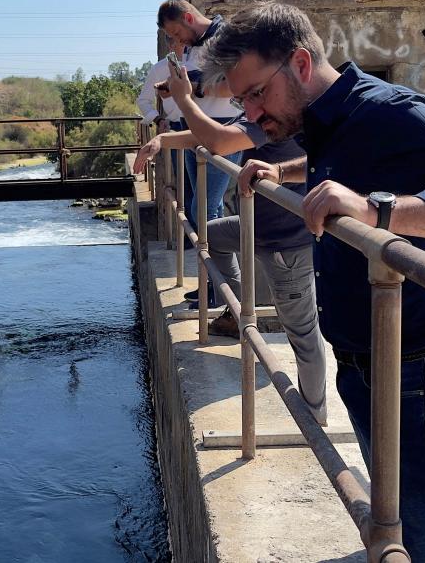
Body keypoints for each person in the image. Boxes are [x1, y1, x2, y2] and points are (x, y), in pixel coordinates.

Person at [199, 2, 425, 562]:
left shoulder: (389, 110)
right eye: (241, 101)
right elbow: (349, 161)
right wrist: (284, 171)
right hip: (368, 363)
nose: (252, 116)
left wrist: (379, 212)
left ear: (300, 64)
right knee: (394, 524)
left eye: (255, 94)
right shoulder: (329, 122)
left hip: (420, 371)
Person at [132, 68, 328, 426]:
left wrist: (184, 98)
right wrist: (163, 141)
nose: (244, 103)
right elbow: (210, 136)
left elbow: (219, 141)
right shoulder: (262, 115)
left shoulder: (284, 116)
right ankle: (236, 307)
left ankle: (314, 418)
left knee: (302, 332)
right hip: (256, 227)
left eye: (248, 94)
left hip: (285, 243)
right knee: (211, 237)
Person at [157, 0, 243, 226]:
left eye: (177, 32)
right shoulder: (189, 46)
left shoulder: (225, 37)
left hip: (222, 130)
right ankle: (215, 260)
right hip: (192, 132)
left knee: (203, 210)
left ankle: (213, 262)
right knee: (205, 208)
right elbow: (197, 83)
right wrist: (173, 87)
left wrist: (192, 89)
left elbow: (233, 86)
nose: (177, 40)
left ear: (188, 18)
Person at [136, 34, 195, 240]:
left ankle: (203, 240)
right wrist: (158, 119)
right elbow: (143, 101)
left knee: (202, 187)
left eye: (181, 37)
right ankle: (191, 240)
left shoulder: (198, 61)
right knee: (185, 185)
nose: (178, 43)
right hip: (176, 127)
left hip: (201, 127)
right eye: (173, 39)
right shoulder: (159, 68)